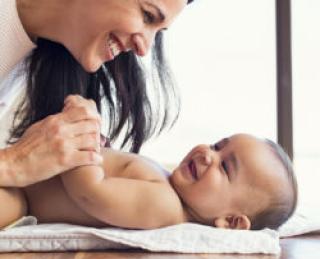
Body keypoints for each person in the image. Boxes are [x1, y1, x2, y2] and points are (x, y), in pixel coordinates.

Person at [0, 0, 194, 188]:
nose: (144, 49)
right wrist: (14, 163)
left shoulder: (42, 73)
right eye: (147, 15)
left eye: (158, 33)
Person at [0, 133, 297, 230]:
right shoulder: (168, 184)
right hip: (25, 173)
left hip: (24, 197)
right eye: (218, 145)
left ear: (231, 222)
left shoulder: (165, 206)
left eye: (225, 168)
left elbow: (90, 192)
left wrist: (83, 138)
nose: (209, 155)